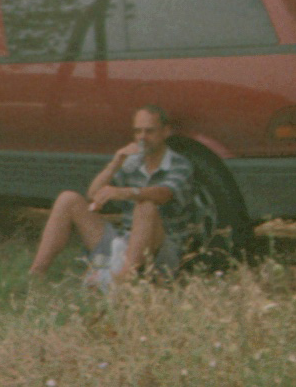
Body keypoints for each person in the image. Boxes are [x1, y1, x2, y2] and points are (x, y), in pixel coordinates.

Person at [28, 105, 194, 286]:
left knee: (146, 206)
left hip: (161, 250)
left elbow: (164, 194)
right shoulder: (133, 163)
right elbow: (93, 194)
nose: (142, 138)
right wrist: (116, 163)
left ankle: (121, 282)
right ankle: (35, 275)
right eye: (137, 131)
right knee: (68, 199)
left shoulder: (180, 164)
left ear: (166, 131)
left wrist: (126, 192)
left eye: (149, 131)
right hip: (124, 243)